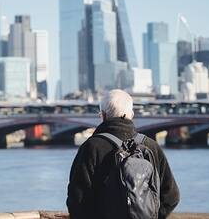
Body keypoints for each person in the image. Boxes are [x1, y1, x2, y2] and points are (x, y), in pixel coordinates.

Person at [67, 89, 180, 219]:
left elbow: (77, 199)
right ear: (131, 114)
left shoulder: (91, 147)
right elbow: (172, 196)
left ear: (103, 115)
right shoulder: (151, 146)